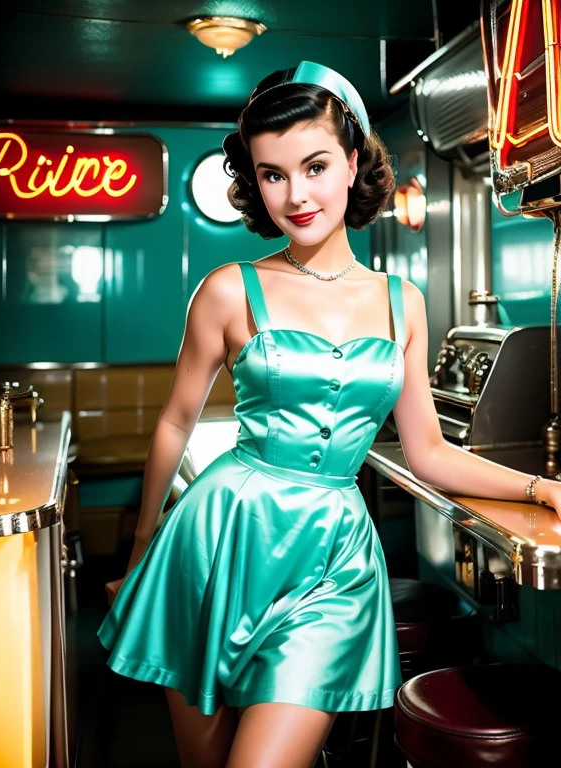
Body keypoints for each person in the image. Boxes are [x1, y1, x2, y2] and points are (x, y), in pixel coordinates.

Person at [98, 61, 561, 768]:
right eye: (272, 174)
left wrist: (541, 489)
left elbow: (429, 451)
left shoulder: (401, 301)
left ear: (352, 162)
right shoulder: (227, 290)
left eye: (314, 166)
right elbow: (174, 421)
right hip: (218, 541)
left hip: (333, 564)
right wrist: (141, 553)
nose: (296, 194)